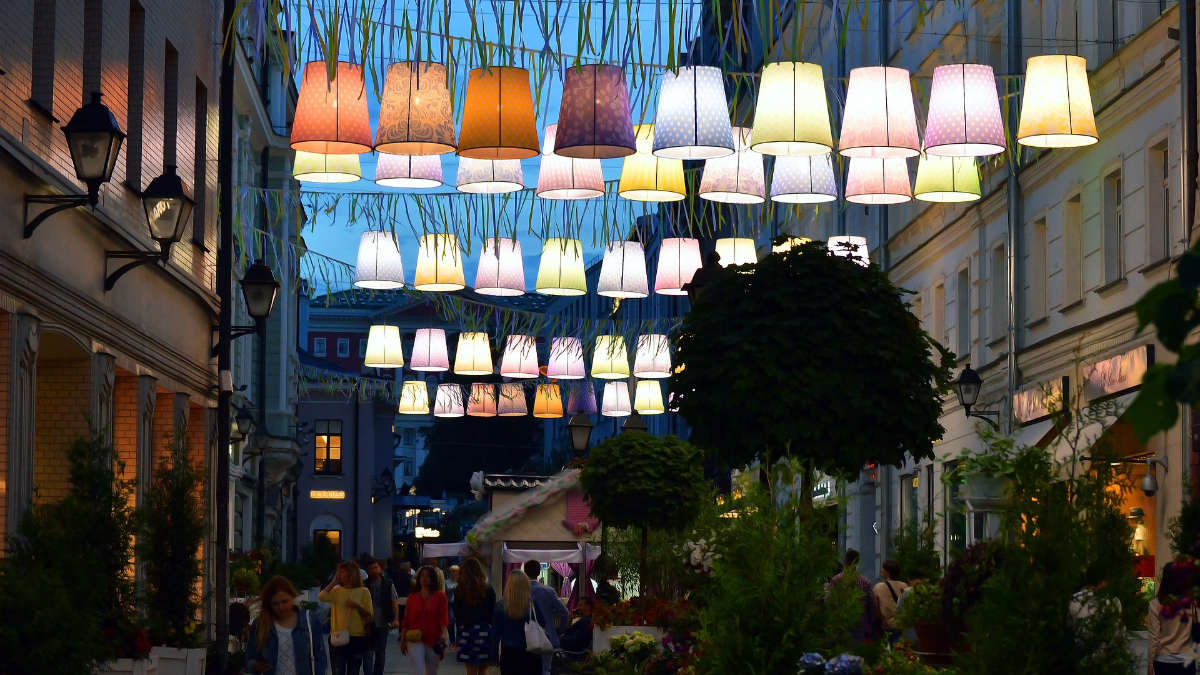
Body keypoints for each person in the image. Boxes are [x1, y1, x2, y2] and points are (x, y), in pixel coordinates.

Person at [245, 576, 328, 675]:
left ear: (292, 597)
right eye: (275, 603)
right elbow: (249, 658)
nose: (281, 607)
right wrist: (255, 665)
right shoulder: (260, 624)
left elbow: (320, 657)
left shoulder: (309, 620)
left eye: (284, 601)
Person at [319, 561, 374, 675]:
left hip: (356, 638)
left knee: (353, 671)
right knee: (338, 671)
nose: (340, 574)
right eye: (339, 572)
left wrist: (357, 607)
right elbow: (322, 596)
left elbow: (369, 616)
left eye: (343, 572)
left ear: (351, 573)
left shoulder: (364, 591)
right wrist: (333, 582)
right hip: (338, 637)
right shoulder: (336, 590)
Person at [1148, 562, 1197, 675]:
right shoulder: (1190, 603)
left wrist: (1150, 665)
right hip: (1187, 659)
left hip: (1164, 660)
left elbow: (1154, 637)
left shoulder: (1155, 604)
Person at [401, 565, 450, 675]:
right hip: (415, 637)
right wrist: (403, 638)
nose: (424, 578)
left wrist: (443, 634)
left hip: (433, 637)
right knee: (418, 670)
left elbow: (443, 617)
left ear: (433, 578)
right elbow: (407, 620)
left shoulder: (440, 597)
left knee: (431, 671)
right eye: (422, 576)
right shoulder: (412, 597)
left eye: (428, 576)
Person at [493, 571, 543, 675]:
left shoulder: (500, 606)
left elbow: (496, 634)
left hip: (509, 654)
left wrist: (494, 656)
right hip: (531, 653)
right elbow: (542, 623)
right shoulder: (532, 606)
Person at [453, 557, 497, 675]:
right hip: (484, 630)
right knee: (484, 667)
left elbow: (457, 612)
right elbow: (492, 611)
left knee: (470, 668)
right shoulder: (488, 589)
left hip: (467, 630)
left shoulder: (459, 590)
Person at [523, 560, 568, 675]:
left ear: (525, 572)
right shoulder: (549, 591)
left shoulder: (519, 592)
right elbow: (564, 612)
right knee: (545, 670)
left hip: (524, 638)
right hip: (547, 637)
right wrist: (559, 630)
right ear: (539, 572)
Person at [829, 549, 881, 643]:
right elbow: (872, 605)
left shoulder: (836, 580)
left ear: (845, 562)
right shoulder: (865, 582)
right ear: (857, 563)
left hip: (840, 624)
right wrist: (870, 624)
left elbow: (829, 601)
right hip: (860, 625)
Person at [362, 558, 400, 675]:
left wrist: (396, 619)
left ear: (380, 569)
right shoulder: (364, 584)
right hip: (367, 622)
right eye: (370, 569)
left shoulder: (388, 583)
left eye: (375, 567)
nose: (373, 571)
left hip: (383, 621)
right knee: (367, 652)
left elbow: (394, 602)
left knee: (380, 652)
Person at [872, 559, 909, 643]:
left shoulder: (878, 587)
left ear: (887, 572)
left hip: (886, 626)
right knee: (900, 651)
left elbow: (875, 608)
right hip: (901, 625)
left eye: (883, 569)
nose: (882, 571)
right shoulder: (904, 586)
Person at [446, 564, 460, 644]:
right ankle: (452, 641)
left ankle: (458, 641)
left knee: (459, 623)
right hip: (450, 604)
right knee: (450, 623)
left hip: (459, 604)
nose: (454, 573)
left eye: (456, 572)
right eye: (452, 572)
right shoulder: (446, 582)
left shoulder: (461, 582)